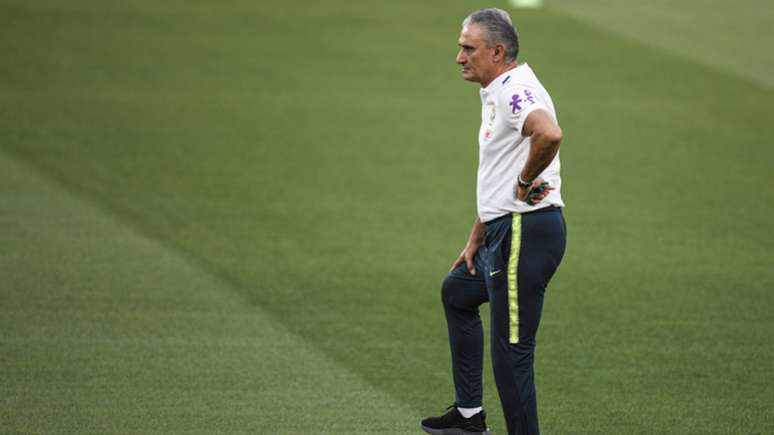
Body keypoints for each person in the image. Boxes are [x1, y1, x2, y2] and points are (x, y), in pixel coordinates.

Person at [420, 8, 567, 435]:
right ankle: (468, 418)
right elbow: (497, 175)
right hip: (504, 231)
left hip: (526, 231)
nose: (459, 57)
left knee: (512, 352)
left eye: (469, 48)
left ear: (497, 51)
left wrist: (525, 182)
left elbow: (549, 134)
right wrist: (475, 238)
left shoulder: (514, 90)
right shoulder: (499, 88)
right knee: (457, 293)